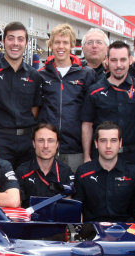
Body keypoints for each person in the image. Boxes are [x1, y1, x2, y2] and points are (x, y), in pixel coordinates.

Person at [0, 21, 42, 168]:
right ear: (3, 41)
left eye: (20, 39)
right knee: (1, 186)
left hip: (27, 141)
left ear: (26, 43)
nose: (15, 43)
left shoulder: (34, 75)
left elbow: (34, 110)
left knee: (25, 186)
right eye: (11, 38)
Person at [81, 41, 135, 168]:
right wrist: (87, 156)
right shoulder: (94, 90)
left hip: (134, 157)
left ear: (130, 60)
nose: (118, 65)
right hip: (102, 156)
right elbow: (87, 124)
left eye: (123, 60)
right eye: (114, 60)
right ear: (107, 61)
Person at [38, 24, 96, 170]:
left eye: (65, 42)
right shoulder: (41, 74)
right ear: (51, 45)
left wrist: (88, 153)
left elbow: (92, 112)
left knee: (75, 190)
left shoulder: (86, 74)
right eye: (57, 42)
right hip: (48, 148)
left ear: (71, 45)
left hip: (76, 148)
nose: (61, 46)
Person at [15, 123, 73, 207]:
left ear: (57, 144)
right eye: (41, 140)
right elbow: (17, 206)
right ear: (34, 144)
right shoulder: (22, 172)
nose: (46, 146)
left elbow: (70, 207)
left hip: (57, 219)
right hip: (30, 219)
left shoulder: (66, 172)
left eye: (50, 141)